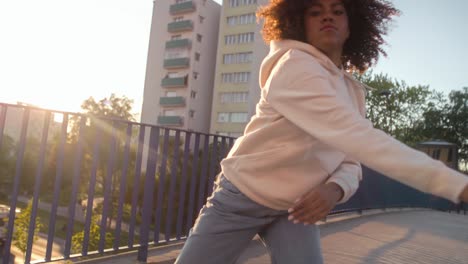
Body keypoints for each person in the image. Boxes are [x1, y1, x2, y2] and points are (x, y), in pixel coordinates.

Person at [175, 0, 468, 263]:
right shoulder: (294, 66)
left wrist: (335, 188)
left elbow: (352, 158)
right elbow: (361, 138)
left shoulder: (351, 91)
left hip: (296, 209)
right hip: (243, 195)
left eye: (337, 10)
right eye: (315, 11)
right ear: (299, 22)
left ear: (352, 22)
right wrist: (455, 184)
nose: (327, 17)